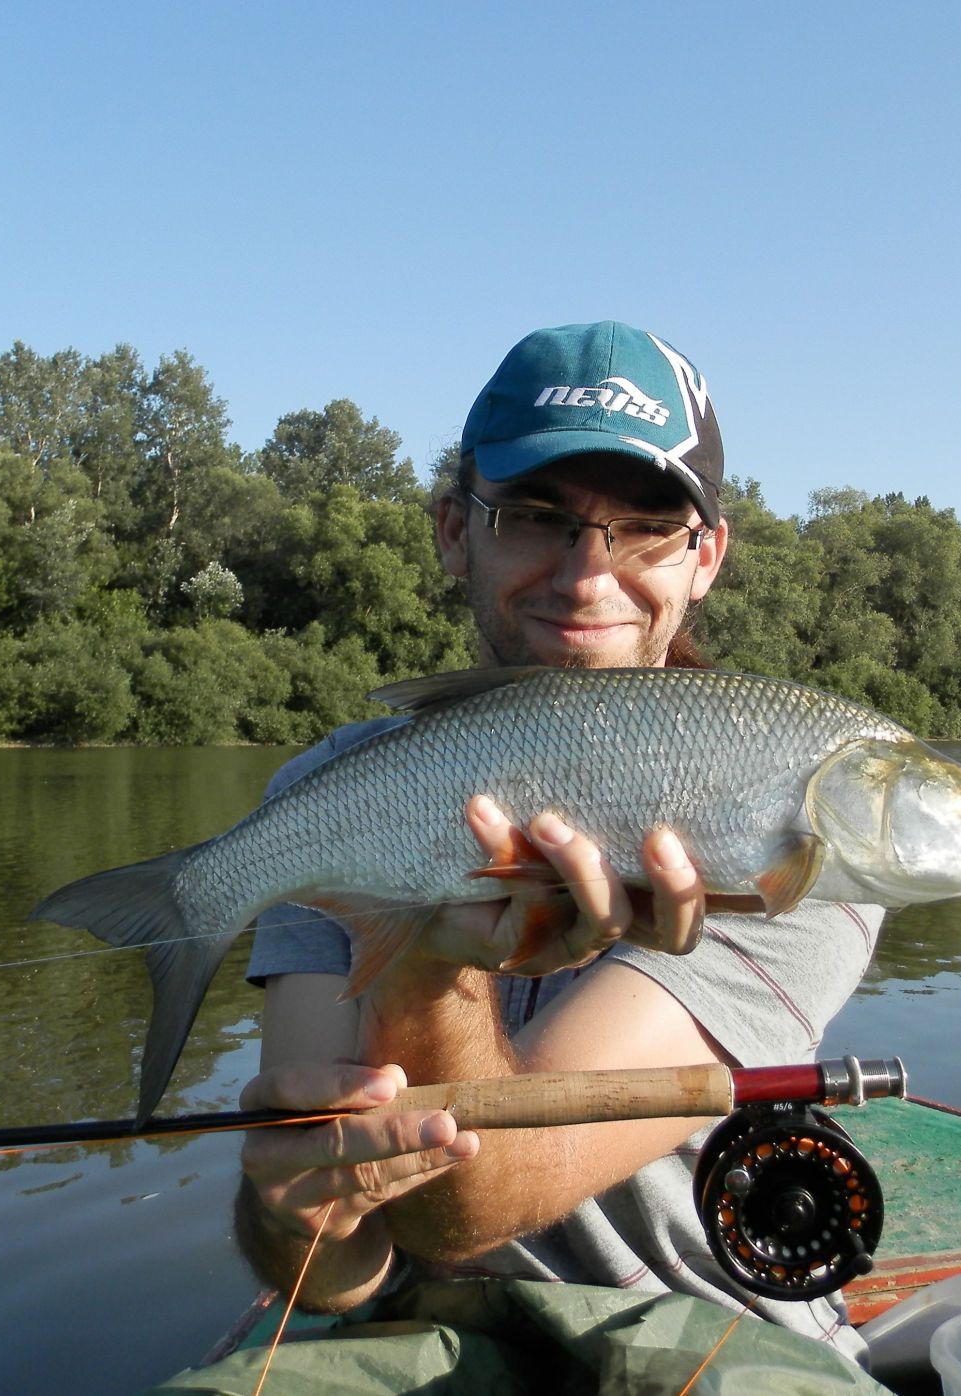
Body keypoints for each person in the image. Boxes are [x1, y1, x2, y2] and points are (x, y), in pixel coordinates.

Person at [231, 321, 882, 1358]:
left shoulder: (792, 826)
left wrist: (427, 972)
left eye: (647, 527)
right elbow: (337, 1273)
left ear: (704, 556)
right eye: (537, 516)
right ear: (454, 530)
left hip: (711, 1328)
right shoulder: (329, 796)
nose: (588, 575)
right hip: (400, 1331)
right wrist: (295, 1207)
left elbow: (468, 1203)